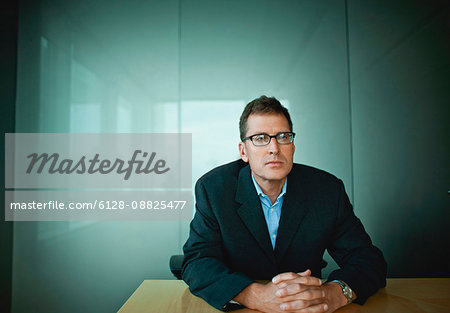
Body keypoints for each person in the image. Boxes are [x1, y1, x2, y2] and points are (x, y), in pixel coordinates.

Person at [182, 96, 387, 312]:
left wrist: (335, 293)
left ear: (293, 146)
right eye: (260, 138)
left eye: (283, 136)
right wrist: (255, 296)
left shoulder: (327, 190)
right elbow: (197, 262)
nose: (274, 148)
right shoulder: (214, 189)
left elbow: (368, 260)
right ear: (243, 151)